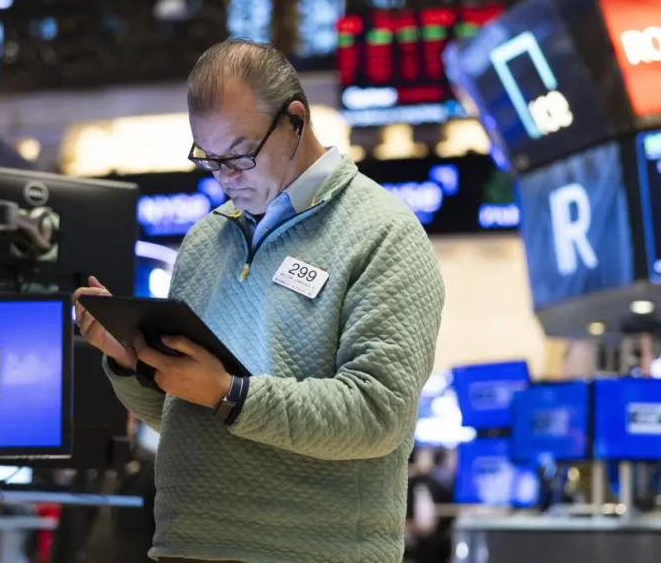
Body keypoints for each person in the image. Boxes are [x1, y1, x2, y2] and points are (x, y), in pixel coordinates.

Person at [74, 38, 445, 563]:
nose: (227, 177)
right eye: (210, 159)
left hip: (315, 554)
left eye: (240, 153)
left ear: (296, 120)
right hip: (185, 546)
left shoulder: (383, 233)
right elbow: (182, 416)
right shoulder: (205, 242)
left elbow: (378, 412)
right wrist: (133, 364)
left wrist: (233, 395)